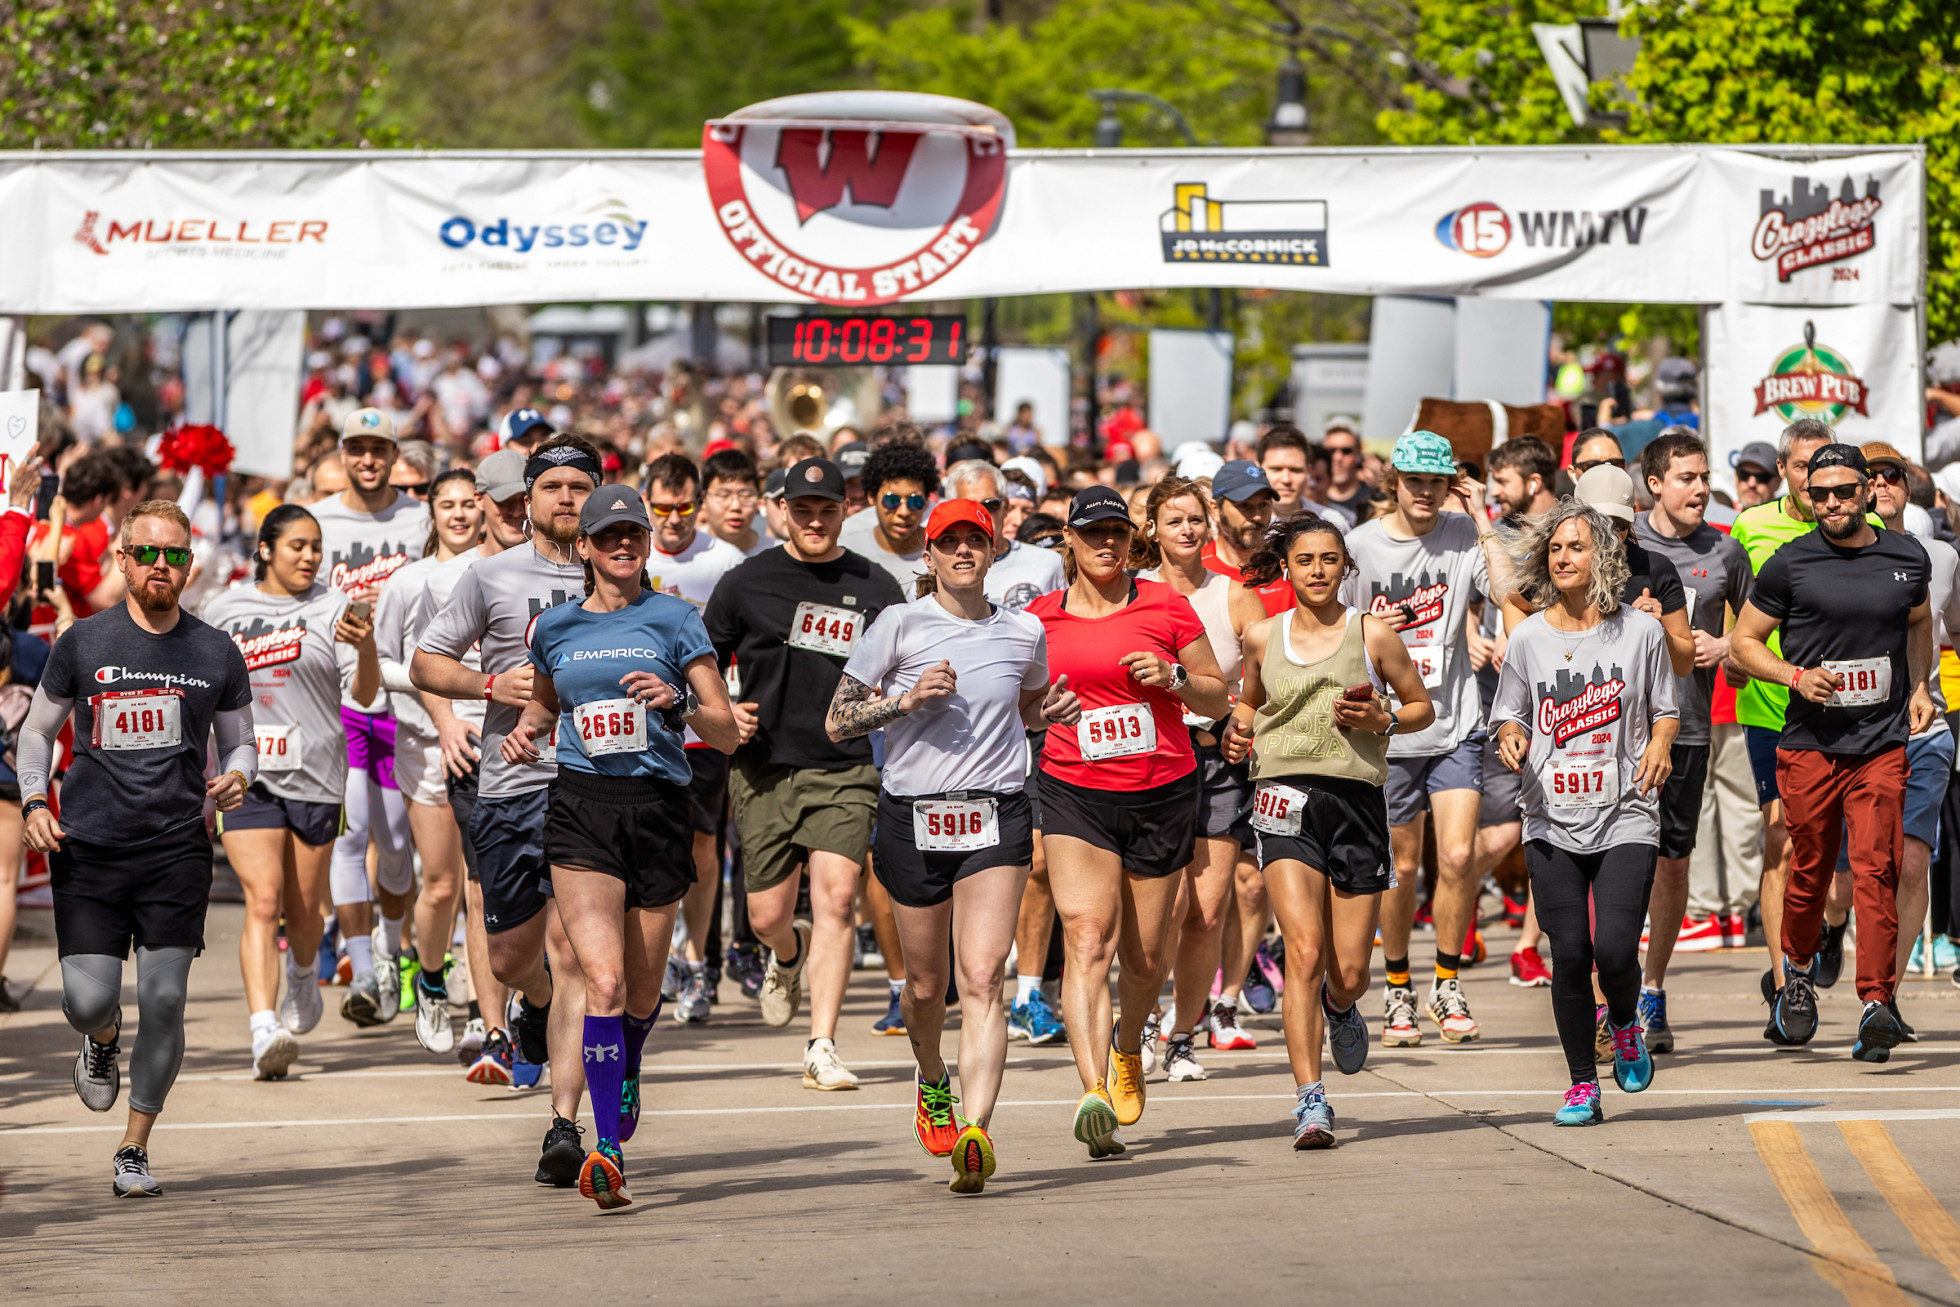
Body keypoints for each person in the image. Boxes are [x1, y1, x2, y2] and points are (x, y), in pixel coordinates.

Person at [502, 482, 738, 1210]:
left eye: (633, 533)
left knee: (638, 991)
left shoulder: (676, 619)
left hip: (659, 805)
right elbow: (546, 701)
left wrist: (682, 703)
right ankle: (606, 1150)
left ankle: (627, 1060)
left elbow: (727, 729)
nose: (624, 544)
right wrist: (527, 731)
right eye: (610, 536)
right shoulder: (554, 627)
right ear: (586, 548)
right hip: (582, 807)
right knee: (599, 980)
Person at [20, 501, 256, 1196]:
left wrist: (240, 773)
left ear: (192, 562)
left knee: (165, 998)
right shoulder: (84, 642)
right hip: (89, 845)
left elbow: (241, 739)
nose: (161, 565)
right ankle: (100, 1038)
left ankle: (134, 1146)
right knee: (84, 1001)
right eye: (147, 552)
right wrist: (36, 799)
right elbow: (36, 732)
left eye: (175, 554)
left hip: (176, 847)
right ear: (121, 558)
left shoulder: (215, 649)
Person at [827, 498, 1062, 1193]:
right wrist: (903, 700)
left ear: (992, 553)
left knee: (984, 976)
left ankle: (977, 1130)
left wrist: (1046, 714)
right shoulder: (898, 624)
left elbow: (1026, 707)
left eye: (974, 541)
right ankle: (933, 1079)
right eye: (948, 542)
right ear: (927, 556)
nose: (963, 552)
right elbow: (839, 720)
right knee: (929, 987)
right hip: (914, 816)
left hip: (997, 813)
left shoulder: (1024, 630)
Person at [413, 434, 601, 1186]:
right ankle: (533, 1004)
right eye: (551, 486)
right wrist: (493, 689)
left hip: (589, 784)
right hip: (508, 785)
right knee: (514, 959)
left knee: (574, 953)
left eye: (578, 486)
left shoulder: (617, 573)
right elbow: (428, 662)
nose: (565, 498)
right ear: (527, 497)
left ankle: (563, 1124)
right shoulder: (490, 576)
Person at [1027, 485, 1229, 1159]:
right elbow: (1020, 705)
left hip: (1161, 789)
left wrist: (1172, 676)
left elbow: (1216, 691)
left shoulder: (1164, 604)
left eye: (1116, 531)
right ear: (1071, 541)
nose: (1105, 543)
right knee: (1087, 936)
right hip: (1073, 789)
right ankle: (1093, 1093)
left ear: (1130, 538)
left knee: (1145, 956)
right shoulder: (1038, 618)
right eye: (1091, 533)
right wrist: (1040, 712)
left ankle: (1127, 1045)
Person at [1223, 513, 1432, 1147]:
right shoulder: (1262, 635)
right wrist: (1237, 728)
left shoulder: (1372, 635)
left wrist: (1383, 717)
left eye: (1329, 560)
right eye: (1306, 560)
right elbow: (1249, 701)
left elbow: (1422, 708)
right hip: (1283, 802)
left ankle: (1342, 1008)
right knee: (1305, 953)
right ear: (1286, 567)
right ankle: (1311, 1102)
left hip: (1357, 802)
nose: (1317, 571)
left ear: (1346, 567)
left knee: (1348, 970)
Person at [703, 458, 907, 1091]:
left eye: (827, 508)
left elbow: (898, 672)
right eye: (803, 509)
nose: (815, 520)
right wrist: (722, 708)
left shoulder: (876, 586)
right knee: (766, 915)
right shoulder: (745, 583)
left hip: (845, 767)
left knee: (838, 898)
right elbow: (701, 660)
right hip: (763, 767)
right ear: (782, 511)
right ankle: (785, 955)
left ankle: (822, 1044)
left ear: (846, 510)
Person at [1730, 443, 1935, 1062]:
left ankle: (1877, 1002)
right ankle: (1795, 974)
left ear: (1869, 491)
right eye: (1819, 494)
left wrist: (1920, 685)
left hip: (1881, 743)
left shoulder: (1907, 556)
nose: (1831, 504)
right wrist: (1794, 676)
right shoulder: (1790, 564)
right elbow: (1743, 643)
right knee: (1810, 868)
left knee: (1876, 869)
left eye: (1843, 492)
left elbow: (1920, 622)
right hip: (1810, 746)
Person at [1491, 499, 1678, 1126]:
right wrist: (1511, 736)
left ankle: (1623, 1021)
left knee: (1616, 951)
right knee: (1570, 952)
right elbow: (1510, 712)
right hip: (1550, 816)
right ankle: (1581, 1085)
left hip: (1625, 812)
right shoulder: (1528, 636)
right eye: (1555, 548)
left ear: (1604, 556)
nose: (1563, 557)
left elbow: (1666, 709)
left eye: (1576, 546)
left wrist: (1659, 742)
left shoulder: (1641, 632)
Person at [204, 506, 380, 1079]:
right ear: (264, 549)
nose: (309, 557)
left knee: (305, 910)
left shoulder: (332, 608)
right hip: (244, 775)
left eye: (316, 547)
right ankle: (262, 1027)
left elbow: (366, 690)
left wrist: (369, 644)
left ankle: (304, 973)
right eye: (297, 546)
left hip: (318, 774)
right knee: (262, 897)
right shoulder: (224, 608)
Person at [1341, 431, 1500, 1047]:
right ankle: (1399, 987)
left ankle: (1447, 981)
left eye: (1438, 481)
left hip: (1453, 721)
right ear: (1394, 482)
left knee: (1457, 857)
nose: (1428, 492)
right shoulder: (1360, 547)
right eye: (1416, 481)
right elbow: (1339, 631)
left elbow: (1509, 591)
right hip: (1388, 730)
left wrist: (1482, 516)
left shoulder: (1464, 535)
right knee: (1401, 867)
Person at [1630, 432, 1754, 1051]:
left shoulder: (1726, 553)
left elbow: (1762, 634)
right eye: (1686, 478)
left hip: (1690, 729)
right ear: (1654, 483)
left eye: (1704, 477)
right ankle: (1612, 996)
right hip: (1615, 734)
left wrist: (1725, 645)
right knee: (1619, 861)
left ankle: (1652, 989)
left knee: (1672, 864)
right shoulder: (1620, 544)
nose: (1701, 489)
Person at [310, 407, 430, 1026]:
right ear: (342, 454)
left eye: (378, 449)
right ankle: (363, 961)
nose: (367, 459)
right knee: (350, 833)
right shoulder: (321, 518)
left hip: (404, 689)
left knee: (397, 842)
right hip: (339, 691)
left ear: (391, 455)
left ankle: (391, 946)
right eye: (356, 448)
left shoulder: (419, 515)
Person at [943, 459, 1067, 1049]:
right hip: (946, 742)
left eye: (993, 508)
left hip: (1028, 734)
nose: (984, 520)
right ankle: (942, 983)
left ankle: (1029, 993)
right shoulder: (943, 559)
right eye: (971, 509)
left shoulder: (1041, 564)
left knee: (1038, 865)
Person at [1133, 476, 1246, 1080]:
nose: (1187, 530)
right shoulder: (1133, 591)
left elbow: (1261, 671)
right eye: (1174, 520)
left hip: (1218, 760)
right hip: (1153, 760)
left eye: (1196, 519)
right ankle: (1143, 1018)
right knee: (1164, 907)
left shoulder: (1232, 594)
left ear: (1210, 526)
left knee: (1207, 910)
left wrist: (1242, 718)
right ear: (1151, 526)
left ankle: (1182, 1035)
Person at [1727, 419, 1838, 1006]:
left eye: (1825, 464)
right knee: (1782, 838)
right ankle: (1786, 985)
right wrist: (1731, 654)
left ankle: (1830, 924)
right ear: (1783, 472)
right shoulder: (1751, 524)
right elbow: (1733, 604)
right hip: (1772, 708)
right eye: (1802, 467)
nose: (1815, 478)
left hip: (1846, 714)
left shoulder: (1863, 527)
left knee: (1831, 848)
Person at [373, 468, 485, 1052]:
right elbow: (384, 662)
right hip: (423, 744)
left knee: (485, 886)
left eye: (470, 503)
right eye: (449, 504)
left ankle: (485, 1009)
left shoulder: (503, 573)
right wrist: (441, 691)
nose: (460, 514)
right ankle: (434, 983)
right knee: (440, 883)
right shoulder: (408, 581)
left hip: (498, 745)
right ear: (432, 513)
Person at [640, 452, 746, 1024]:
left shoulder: (724, 559)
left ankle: (698, 961)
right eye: (663, 507)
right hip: (639, 724)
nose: (674, 518)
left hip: (701, 724)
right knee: (656, 845)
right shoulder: (628, 549)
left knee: (705, 849)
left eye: (684, 507)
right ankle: (658, 958)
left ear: (698, 505)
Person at [1862, 441, 1960, 1022]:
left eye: (1891, 475)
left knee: (1914, 862)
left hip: (1926, 729)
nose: (1880, 486)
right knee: (1857, 876)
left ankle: (1884, 998)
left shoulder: (1943, 558)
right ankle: (1829, 938)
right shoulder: (1830, 557)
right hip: (1858, 735)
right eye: (1868, 477)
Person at [1474, 436, 1560, 988]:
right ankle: (1452, 897)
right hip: (1499, 693)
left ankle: (1529, 945)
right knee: (1504, 828)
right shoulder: (1493, 534)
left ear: (1533, 482)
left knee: (1554, 822)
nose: (1494, 492)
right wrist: (1477, 640)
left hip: (1563, 691)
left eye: (1502, 481)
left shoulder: (1571, 528)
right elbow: (1464, 596)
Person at [839, 437, 937, 590]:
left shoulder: (943, 554)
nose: (903, 512)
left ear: (926, 502)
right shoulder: (845, 550)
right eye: (892, 501)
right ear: (872, 497)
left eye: (915, 501)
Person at [701, 447, 773, 558]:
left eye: (746, 495)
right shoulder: (686, 552)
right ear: (704, 498)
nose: (736, 506)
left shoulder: (775, 554)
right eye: (724, 495)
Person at [1319, 420, 1368, 527]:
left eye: (1346, 451)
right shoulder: (1313, 497)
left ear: (1358, 452)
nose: (1338, 458)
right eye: (1331, 451)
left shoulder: (1373, 500)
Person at [1732, 442, 1781, 511]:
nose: (1751, 484)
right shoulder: (1723, 517)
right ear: (1736, 478)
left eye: (1761, 477)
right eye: (1744, 475)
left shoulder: (1788, 520)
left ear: (1778, 482)